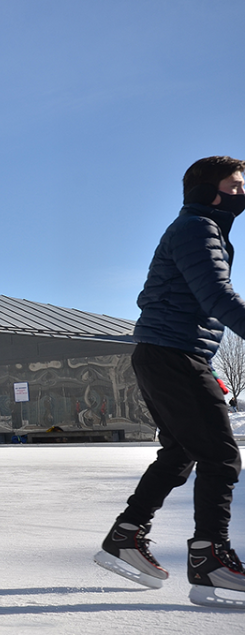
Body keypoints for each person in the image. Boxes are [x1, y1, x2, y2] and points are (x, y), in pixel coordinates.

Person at [95, 156, 245, 608]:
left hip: (170, 353)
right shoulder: (197, 228)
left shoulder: (202, 228)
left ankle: (126, 534)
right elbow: (216, 296)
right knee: (221, 457)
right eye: (236, 185)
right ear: (210, 192)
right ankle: (209, 556)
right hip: (171, 354)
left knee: (181, 452)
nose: (242, 193)